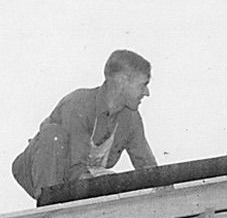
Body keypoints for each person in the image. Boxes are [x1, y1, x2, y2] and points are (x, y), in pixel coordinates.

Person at [12, 49, 156, 207]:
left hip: (80, 177)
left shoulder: (130, 117)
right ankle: (49, 209)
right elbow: (76, 169)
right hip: (40, 169)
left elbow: (147, 167)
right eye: (143, 85)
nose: (147, 92)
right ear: (122, 80)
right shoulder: (78, 104)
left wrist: (161, 190)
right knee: (54, 135)